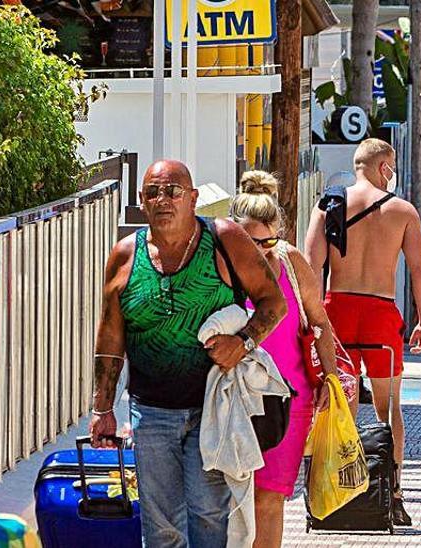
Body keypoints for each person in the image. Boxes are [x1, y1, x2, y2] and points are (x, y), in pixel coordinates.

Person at [89, 160, 287, 547]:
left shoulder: (224, 239)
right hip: (150, 412)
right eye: (153, 192)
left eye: (174, 191)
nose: (163, 200)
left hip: (213, 407)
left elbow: (273, 303)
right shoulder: (125, 257)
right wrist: (102, 408)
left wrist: (243, 341)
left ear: (193, 199)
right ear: (142, 202)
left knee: (209, 515)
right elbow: (111, 335)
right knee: (160, 525)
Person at [304, 137, 421, 526]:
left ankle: (325, 486)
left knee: (330, 402)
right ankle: (391, 492)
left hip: (336, 311)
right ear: (383, 168)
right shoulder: (402, 210)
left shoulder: (328, 205)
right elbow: (420, 272)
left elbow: (311, 267)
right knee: (387, 407)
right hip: (380, 311)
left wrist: (310, 321)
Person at [227, 171, 341, 548]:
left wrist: (331, 378)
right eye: (249, 241)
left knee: (270, 499)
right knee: (226, 500)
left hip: (288, 401)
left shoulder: (290, 263)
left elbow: (320, 322)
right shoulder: (220, 265)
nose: (259, 251)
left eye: (268, 241)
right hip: (230, 400)